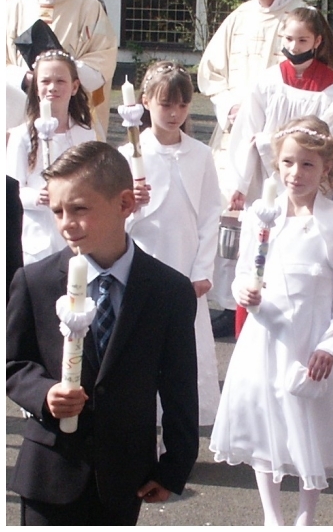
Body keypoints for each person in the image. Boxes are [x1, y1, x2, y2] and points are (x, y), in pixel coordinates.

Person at [6, 141, 199, 525]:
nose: (66, 223)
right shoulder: (36, 281)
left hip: (123, 473)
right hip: (50, 469)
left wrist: (174, 465)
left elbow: (179, 385)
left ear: (125, 204)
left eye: (79, 208)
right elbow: (12, 362)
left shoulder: (168, 291)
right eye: (58, 211)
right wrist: (43, 393)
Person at [210, 116, 333, 526]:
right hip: (268, 331)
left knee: (310, 422)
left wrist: (331, 342)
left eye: (307, 164)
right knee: (265, 416)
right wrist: (243, 293)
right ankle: (272, 515)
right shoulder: (260, 215)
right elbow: (243, 273)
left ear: (325, 168)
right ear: (276, 163)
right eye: (288, 163)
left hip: (312, 333)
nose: (295, 173)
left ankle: (306, 513)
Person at [198, 0, 307, 330]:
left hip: (279, 142)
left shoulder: (301, 18)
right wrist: (228, 105)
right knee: (230, 216)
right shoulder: (239, 18)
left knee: (272, 215)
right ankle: (229, 303)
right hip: (234, 134)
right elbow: (211, 71)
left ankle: (274, 292)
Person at [119, 61, 223, 430]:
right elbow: (116, 224)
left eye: (182, 105)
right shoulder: (128, 155)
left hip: (185, 266)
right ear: (145, 102)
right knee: (144, 350)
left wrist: (202, 270)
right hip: (144, 264)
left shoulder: (200, 154)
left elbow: (210, 215)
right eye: (166, 104)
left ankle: (181, 429)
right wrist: (131, 205)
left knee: (185, 353)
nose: (175, 113)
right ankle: (144, 428)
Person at [228, 6, 333, 212]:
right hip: (265, 176)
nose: (294, 47)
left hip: (309, 176)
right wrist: (240, 183)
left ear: (317, 41)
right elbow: (247, 131)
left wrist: (267, 140)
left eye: (302, 40)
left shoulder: (332, 87)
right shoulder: (269, 80)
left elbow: (329, 138)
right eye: (289, 38)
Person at [5, 0, 117, 138]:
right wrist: (26, 78)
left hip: (71, 115)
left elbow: (103, 60)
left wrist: (60, 77)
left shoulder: (89, 7)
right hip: (19, 112)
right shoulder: (10, 8)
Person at [6, 49, 95, 264]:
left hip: (75, 236)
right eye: (45, 81)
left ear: (74, 87)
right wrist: (37, 197)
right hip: (37, 238)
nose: (53, 87)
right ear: (36, 87)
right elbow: (11, 189)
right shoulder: (22, 136)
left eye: (60, 81)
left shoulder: (86, 134)